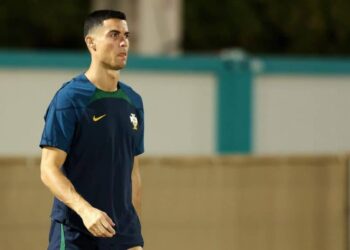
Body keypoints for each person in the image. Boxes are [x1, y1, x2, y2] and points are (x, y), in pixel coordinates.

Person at [39, 10, 144, 250]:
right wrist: (86, 211)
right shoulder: (69, 98)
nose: (123, 42)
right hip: (77, 233)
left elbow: (133, 171)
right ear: (91, 42)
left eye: (126, 35)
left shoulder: (134, 101)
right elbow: (48, 168)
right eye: (114, 34)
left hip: (123, 234)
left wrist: (133, 228)